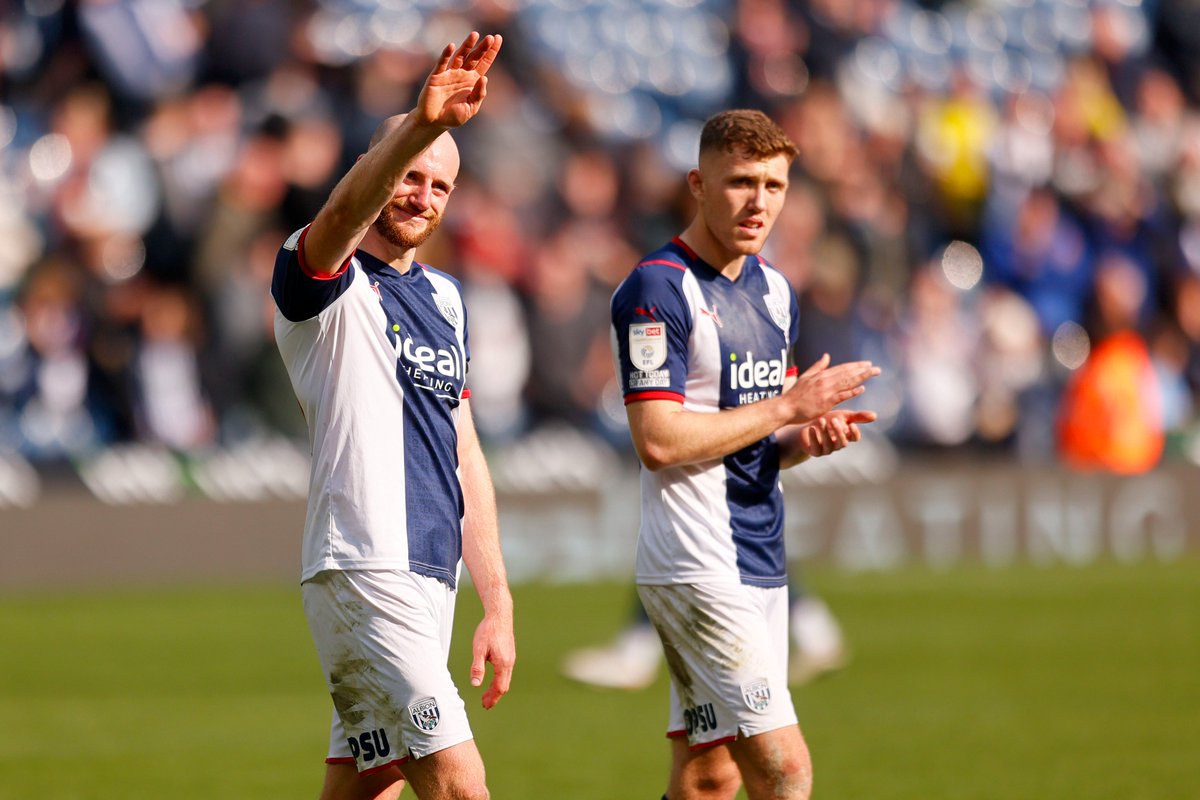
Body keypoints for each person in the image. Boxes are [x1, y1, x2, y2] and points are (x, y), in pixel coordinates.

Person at [608, 109, 880, 800]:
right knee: (786, 770)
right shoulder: (657, 289)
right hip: (696, 563)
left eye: (774, 185)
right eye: (740, 182)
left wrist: (803, 439)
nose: (759, 202)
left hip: (761, 559)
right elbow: (658, 440)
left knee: (709, 776)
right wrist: (788, 408)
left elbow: (752, 437)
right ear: (698, 185)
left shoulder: (775, 291)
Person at [270, 32, 513, 800]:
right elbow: (345, 211)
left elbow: (463, 451)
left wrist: (496, 599)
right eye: (409, 175)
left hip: (430, 576)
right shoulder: (324, 275)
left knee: (367, 785)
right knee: (460, 784)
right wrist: (421, 124)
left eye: (440, 186)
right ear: (375, 169)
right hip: (363, 566)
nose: (422, 196)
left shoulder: (447, 299)